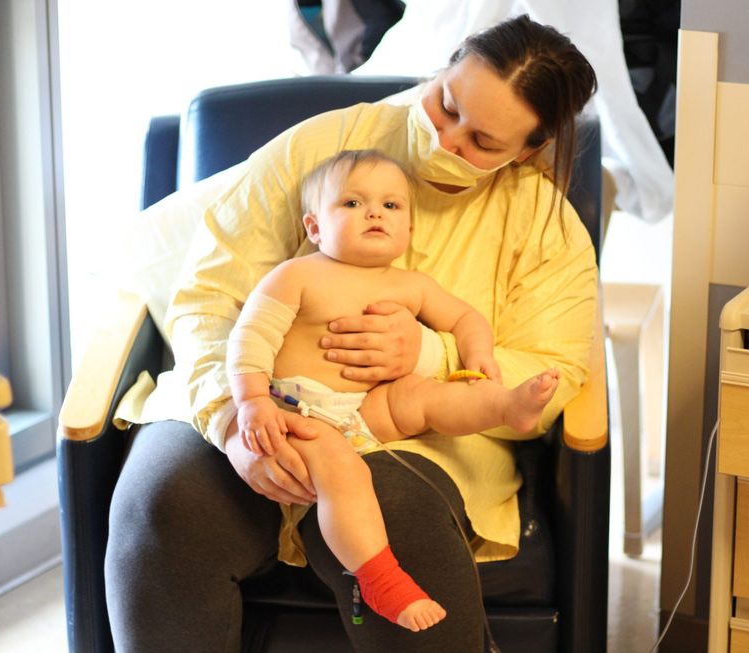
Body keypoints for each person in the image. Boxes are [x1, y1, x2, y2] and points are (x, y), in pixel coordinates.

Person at [107, 13, 598, 653]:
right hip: (255, 397)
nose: (446, 140)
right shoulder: (323, 146)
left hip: (410, 432)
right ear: (444, 69)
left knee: (400, 522)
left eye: (482, 141)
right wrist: (231, 416)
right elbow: (210, 293)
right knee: (166, 505)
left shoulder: (543, 225)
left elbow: (555, 372)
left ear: (527, 150)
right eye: (446, 105)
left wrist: (430, 354)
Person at [226, 149, 560, 630]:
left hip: (366, 410)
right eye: (352, 203)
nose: (374, 214)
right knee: (344, 472)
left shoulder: (412, 285)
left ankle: (507, 406)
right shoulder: (296, 275)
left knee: (422, 395)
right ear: (315, 227)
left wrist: (478, 354)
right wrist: (253, 400)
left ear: (409, 229)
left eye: (390, 205)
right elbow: (250, 338)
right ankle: (379, 577)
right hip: (298, 412)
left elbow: (465, 318)